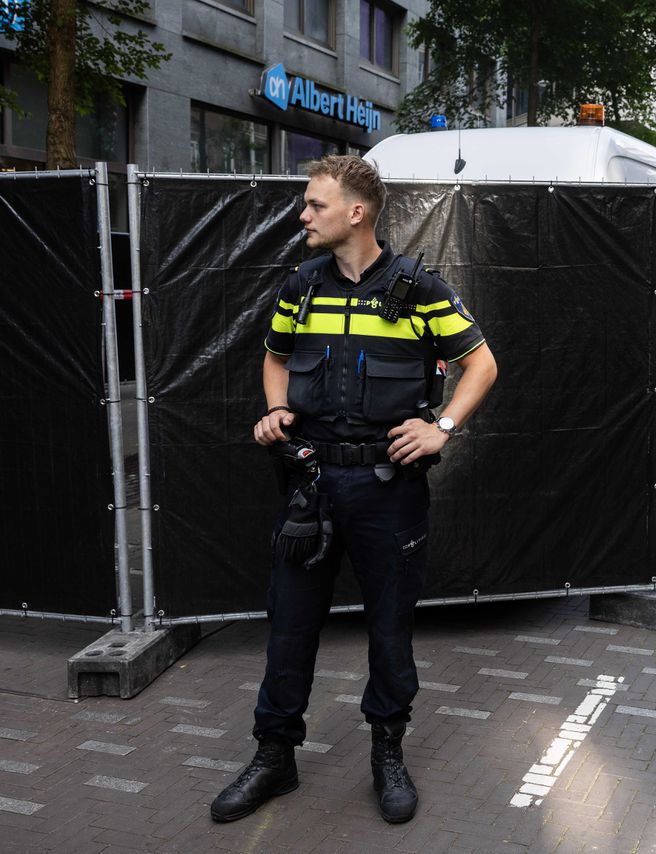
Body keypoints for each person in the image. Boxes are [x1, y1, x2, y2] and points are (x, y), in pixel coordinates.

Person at [210, 155, 498, 825]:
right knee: (289, 625)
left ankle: (387, 755)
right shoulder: (301, 286)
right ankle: (273, 757)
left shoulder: (416, 288)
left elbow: (480, 362)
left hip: (387, 489)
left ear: (356, 212)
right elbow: (275, 354)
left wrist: (443, 427)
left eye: (315, 205)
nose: (303, 216)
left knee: (389, 629)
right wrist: (277, 409)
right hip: (309, 483)